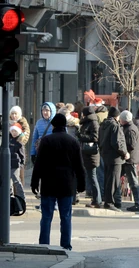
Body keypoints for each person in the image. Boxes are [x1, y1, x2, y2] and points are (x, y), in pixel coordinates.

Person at [31, 112, 84, 251]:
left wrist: (34, 182)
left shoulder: (46, 141)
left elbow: (39, 164)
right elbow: (79, 165)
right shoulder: (73, 142)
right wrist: (81, 183)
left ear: (53, 125)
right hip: (67, 185)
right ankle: (66, 246)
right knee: (66, 217)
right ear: (65, 125)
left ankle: (44, 244)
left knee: (46, 216)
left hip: (48, 184)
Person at [97, 107, 127, 210]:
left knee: (108, 179)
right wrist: (124, 153)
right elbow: (117, 143)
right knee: (113, 180)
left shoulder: (103, 125)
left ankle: (107, 200)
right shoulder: (115, 125)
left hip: (105, 155)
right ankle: (109, 202)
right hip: (115, 157)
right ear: (117, 116)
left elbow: (99, 140)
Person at [119, 110, 139, 212]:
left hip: (130, 160)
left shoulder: (130, 130)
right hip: (128, 159)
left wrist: (123, 150)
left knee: (133, 182)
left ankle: (138, 203)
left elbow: (131, 145)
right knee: (123, 180)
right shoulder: (128, 128)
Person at [77, 106, 101, 208]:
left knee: (93, 177)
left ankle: (97, 200)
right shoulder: (88, 122)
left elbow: (95, 137)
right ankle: (96, 199)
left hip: (91, 154)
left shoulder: (93, 122)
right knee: (92, 177)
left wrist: (81, 136)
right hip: (87, 154)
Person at [9, 124, 26, 201]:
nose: (14, 133)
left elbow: (22, 155)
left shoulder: (19, 143)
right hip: (7, 164)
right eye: (12, 131)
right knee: (8, 182)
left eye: (15, 131)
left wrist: (21, 164)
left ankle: (21, 197)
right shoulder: (8, 140)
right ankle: (10, 197)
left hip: (15, 165)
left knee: (16, 181)